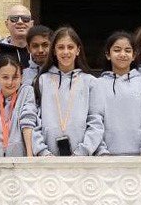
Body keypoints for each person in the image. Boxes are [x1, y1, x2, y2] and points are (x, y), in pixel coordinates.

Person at [31, 26, 104, 157]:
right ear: (54, 51)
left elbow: (96, 121)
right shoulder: (42, 80)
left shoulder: (91, 82)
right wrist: (42, 152)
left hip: (82, 158)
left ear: (78, 50)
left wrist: (83, 151)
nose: (66, 52)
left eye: (70, 47)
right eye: (61, 47)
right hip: (47, 158)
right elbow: (35, 119)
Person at [95, 31, 141, 156]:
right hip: (106, 157)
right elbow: (96, 119)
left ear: (134, 55)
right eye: (117, 50)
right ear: (108, 55)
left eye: (128, 50)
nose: (123, 54)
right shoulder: (97, 84)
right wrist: (101, 150)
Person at [0, 55, 36, 157]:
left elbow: (28, 122)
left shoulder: (26, 91)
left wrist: (30, 156)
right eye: (5, 77)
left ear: (21, 77)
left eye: (15, 77)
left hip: (20, 156)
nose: (10, 82)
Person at [0, 4, 34, 68]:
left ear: (31, 24)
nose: (20, 22)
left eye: (25, 19)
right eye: (14, 19)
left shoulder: (40, 50)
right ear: (7, 24)